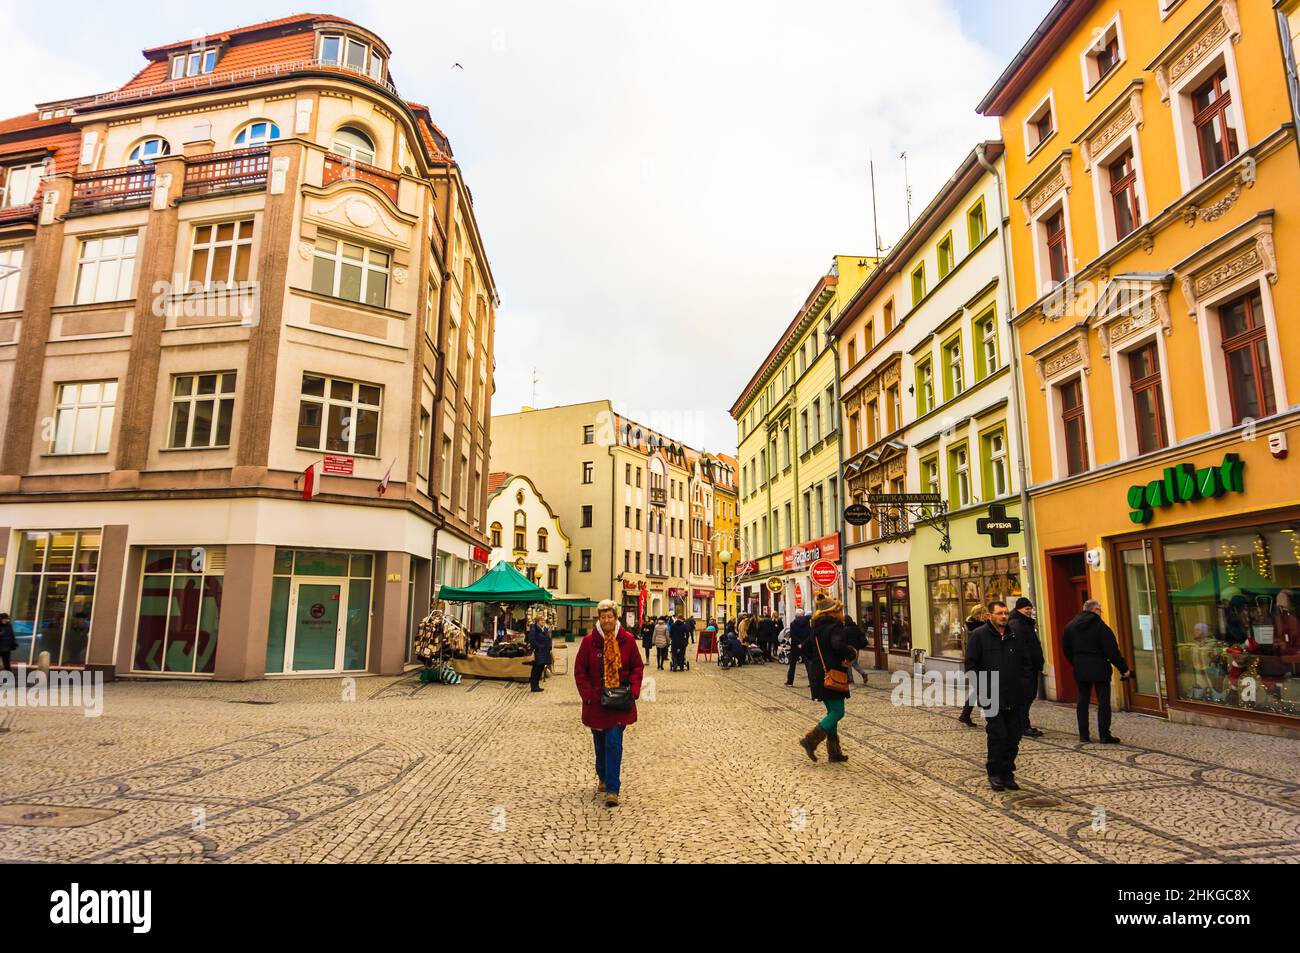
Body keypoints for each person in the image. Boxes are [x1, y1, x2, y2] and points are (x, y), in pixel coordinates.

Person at [574, 599, 645, 808]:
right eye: (603, 617)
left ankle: (613, 789)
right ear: (599, 618)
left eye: (610, 616)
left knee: (614, 742)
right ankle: (603, 775)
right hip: (596, 703)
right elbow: (580, 671)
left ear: (616, 618)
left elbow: (637, 667)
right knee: (600, 743)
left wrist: (633, 689)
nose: (607, 620)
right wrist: (588, 694)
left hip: (619, 702)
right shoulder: (589, 642)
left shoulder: (628, 640)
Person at [964, 600, 1024, 792]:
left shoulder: (1014, 635)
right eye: (1000, 613)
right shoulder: (978, 636)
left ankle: (1008, 772)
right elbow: (971, 666)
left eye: (1006, 613)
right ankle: (995, 773)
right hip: (991, 694)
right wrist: (981, 691)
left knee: (1014, 736)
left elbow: (1025, 662)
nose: (1004, 617)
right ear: (990, 616)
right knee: (997, 735)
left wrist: (1024, 685)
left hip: (1013, 695)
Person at [1063, 599, 1130, 744]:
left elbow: (1066, 649)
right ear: (1095, 610)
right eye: (1100, 610)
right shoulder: (1101, 627)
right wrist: (1124, 669)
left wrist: (1076, 662)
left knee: (1082, 701)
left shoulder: (1070, 626)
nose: (1101, 612)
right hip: (1100, 667)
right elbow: (1112, 652)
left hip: (1080, 668)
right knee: (1103, 702)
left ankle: (1083, 734)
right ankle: (1104, 735)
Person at [798, 596, 856, 763]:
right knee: (838, 712)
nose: (842, 613)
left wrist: (816, 662)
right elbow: (838, 645)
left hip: (819, 675)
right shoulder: (835, 627)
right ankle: (810, 740)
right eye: (840, 610)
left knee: (832, 712)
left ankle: (834, 752)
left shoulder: (816, 628)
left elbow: (805, 648)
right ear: (833, 612)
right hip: (832, 675)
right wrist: (850, 653)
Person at [1009, 597, 1044, 737]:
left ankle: (1022, 724)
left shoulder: (1025, 622)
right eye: (1026, 609)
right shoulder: (1017, 624)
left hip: (1029, 667)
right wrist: (1028, 664)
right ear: (1019, 609)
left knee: (1027, 697)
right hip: (1024, 669)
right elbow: (1021, 648)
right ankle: (1023, 726)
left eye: (1030, 608)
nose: (1029, 611)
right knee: (1025, 697)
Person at [958, 604, 989, 726]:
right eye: (986, 613)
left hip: (977, 664)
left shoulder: (973, 626)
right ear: (980, 615)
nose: (988, 615)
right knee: (985, 690)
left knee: (978, 690)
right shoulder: (980, 628)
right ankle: (991, 718)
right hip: (980, 663)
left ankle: (965, 715)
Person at [525, 616, 553, 692]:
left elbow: (549, 638)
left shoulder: (545, 629)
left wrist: (550, 646)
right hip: (538, 651)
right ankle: (534, 686)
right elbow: (531, 639)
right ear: (537, 621)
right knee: (536, 669)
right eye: (541, 620)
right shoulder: (534, 629)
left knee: (540, 668)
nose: (543, 621)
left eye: (544, 620)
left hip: (545, 652)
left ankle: (537, 685)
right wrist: (539, 647)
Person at [843, 615, 870, 685]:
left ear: (845, 621)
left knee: (848, 664)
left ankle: (850, 679)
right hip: (856, 649)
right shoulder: (857, 628)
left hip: (849, 649)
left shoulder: (845, 629)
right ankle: (863, 674)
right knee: (854, 663)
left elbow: (844, 640)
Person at [786, 611, 810, 686]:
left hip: (795, 646)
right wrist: (803, 643)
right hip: (805, 645)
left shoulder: (793, 623)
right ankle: (812, 681)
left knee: (793, 664)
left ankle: (790, 681)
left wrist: (799, 643)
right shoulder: (808, 623)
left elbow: (792, 635)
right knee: (808, 664)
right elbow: (810, 634)